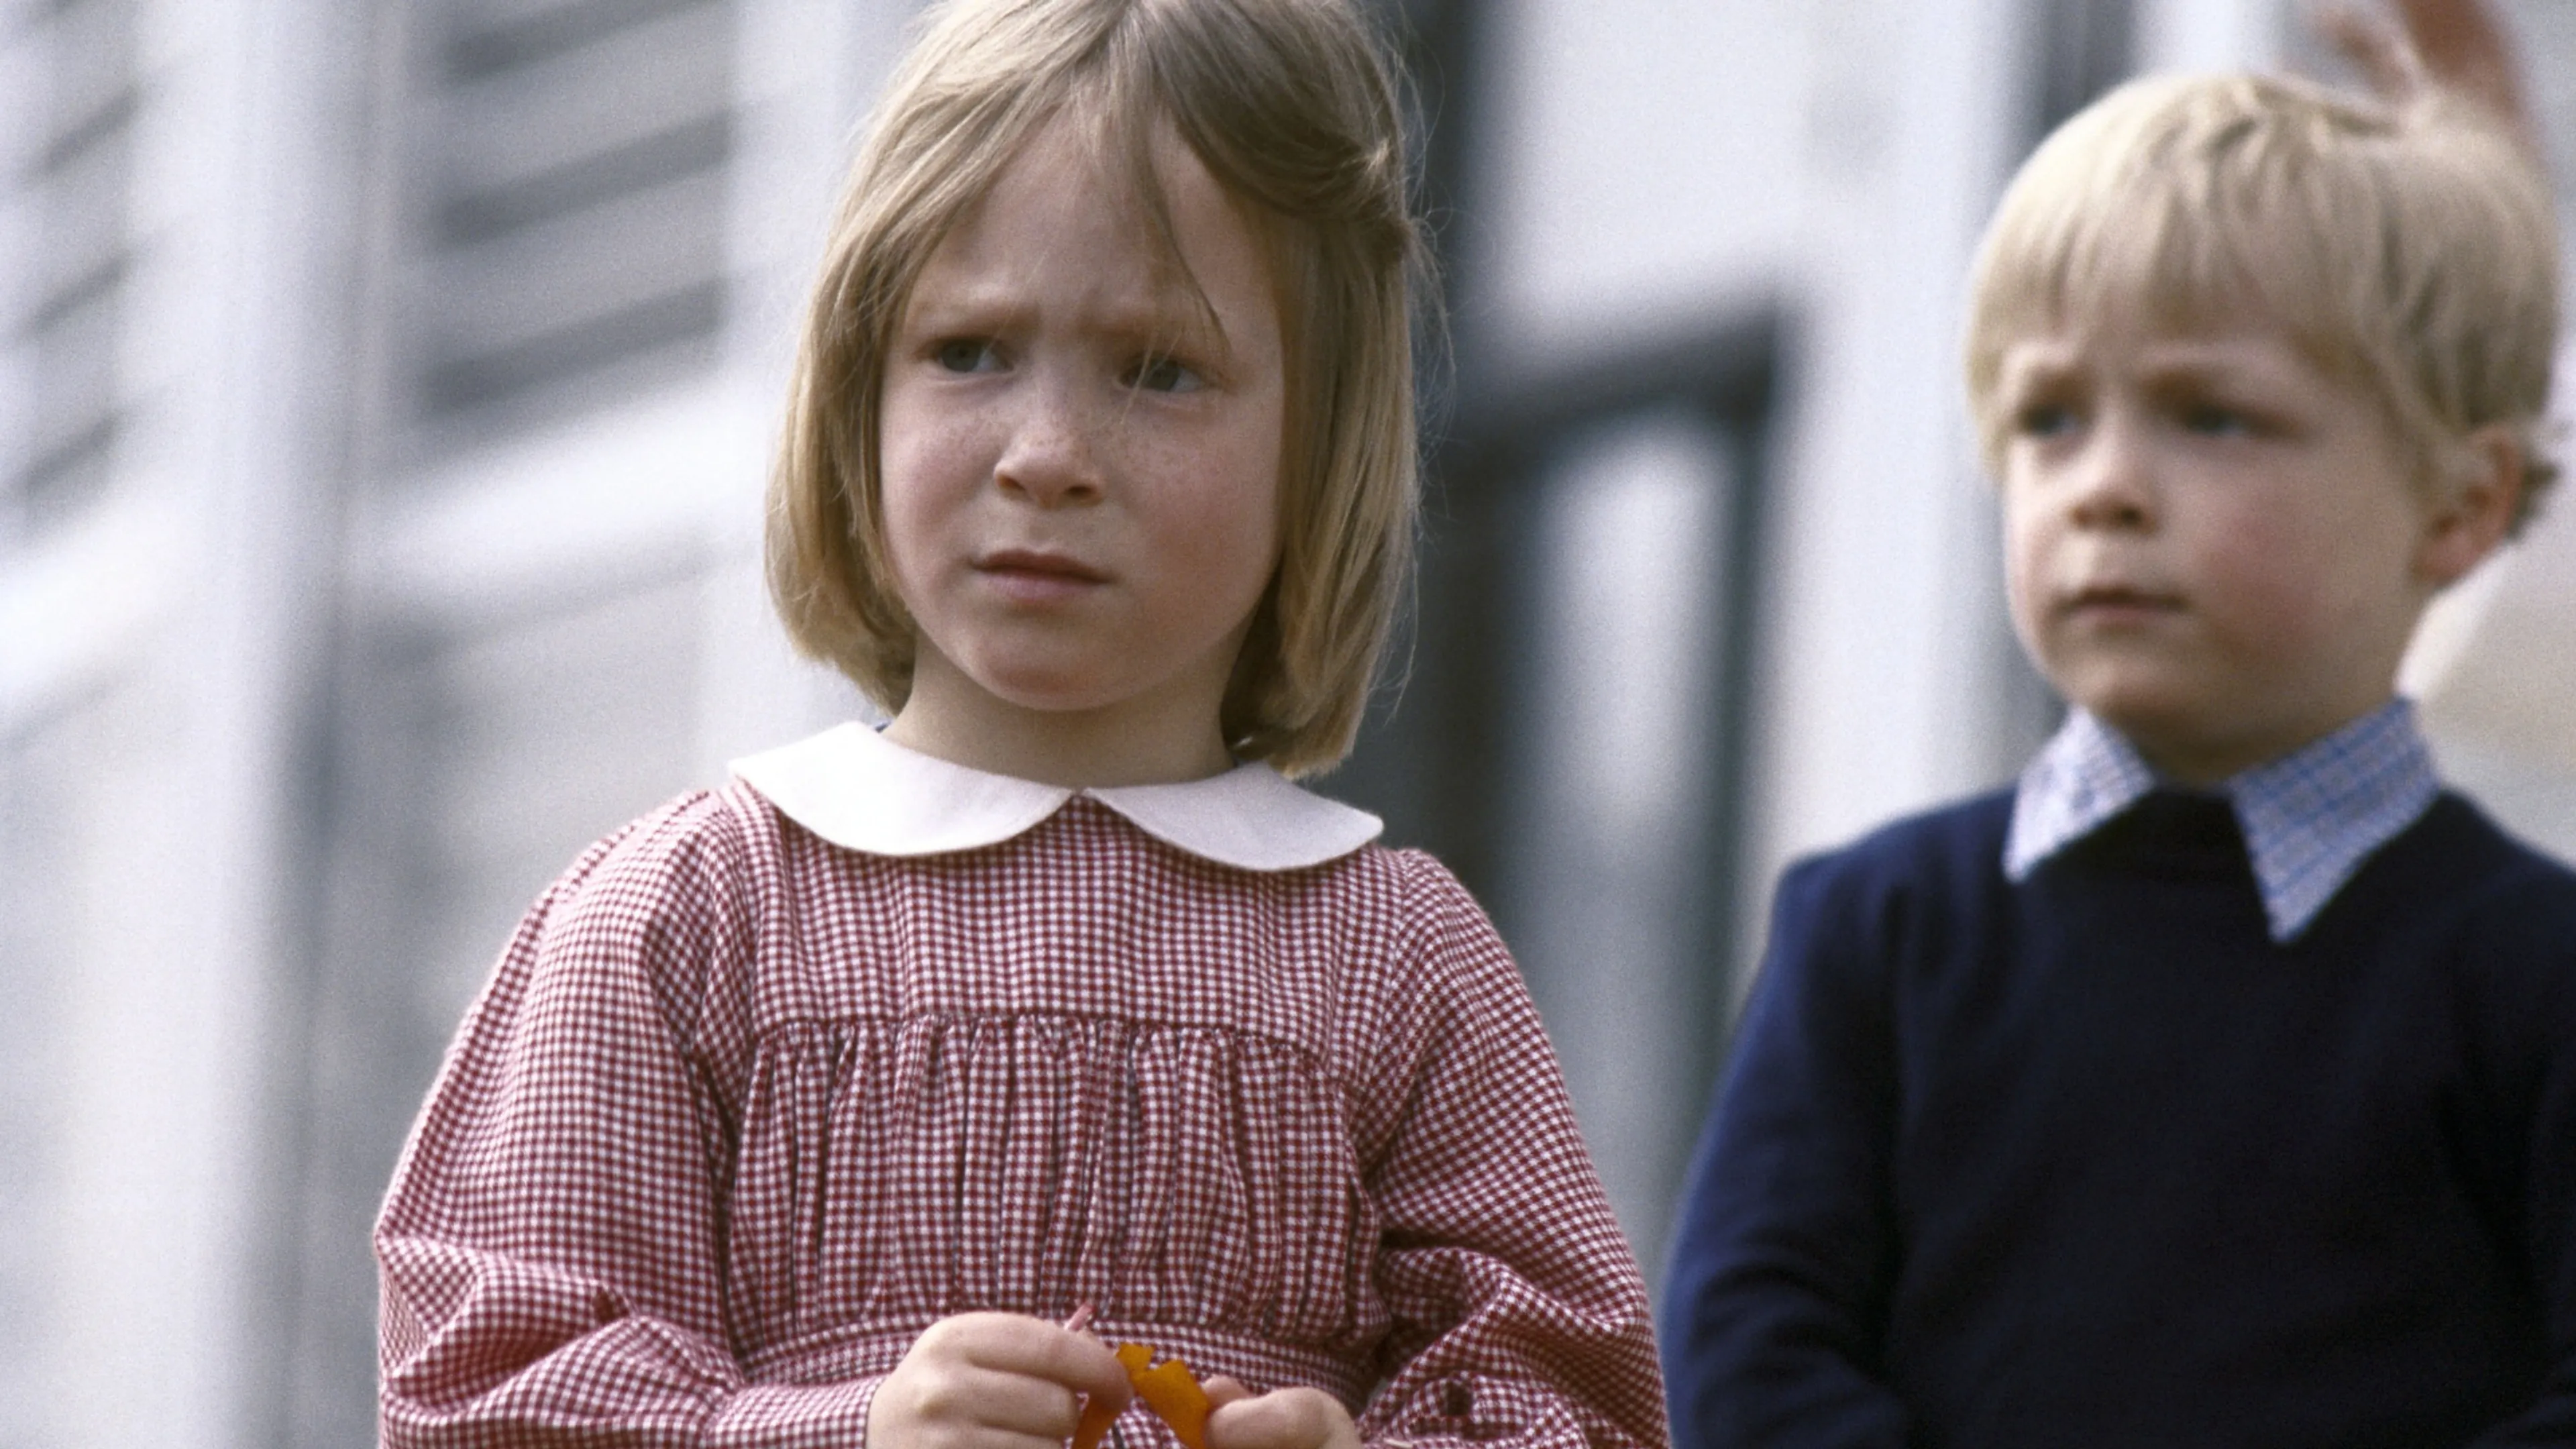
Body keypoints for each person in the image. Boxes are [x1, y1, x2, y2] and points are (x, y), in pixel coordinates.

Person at [372, 1, 1668, 1446]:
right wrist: (850, 1437)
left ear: (1318, 451)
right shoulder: (683, 922)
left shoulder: (1400, 962)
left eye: (1160, 370)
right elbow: (491, 1406)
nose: (1048, 456)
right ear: (858, 395)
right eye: (973, 350)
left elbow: (1580, 1412)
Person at [1662, 38, 2574, 1449]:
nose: (2104, 490)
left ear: (2459, 504)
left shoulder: (2533, 972)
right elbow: (1747, 1347)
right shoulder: (1874, 929)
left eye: (2212, 415)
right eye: (2049, 420)